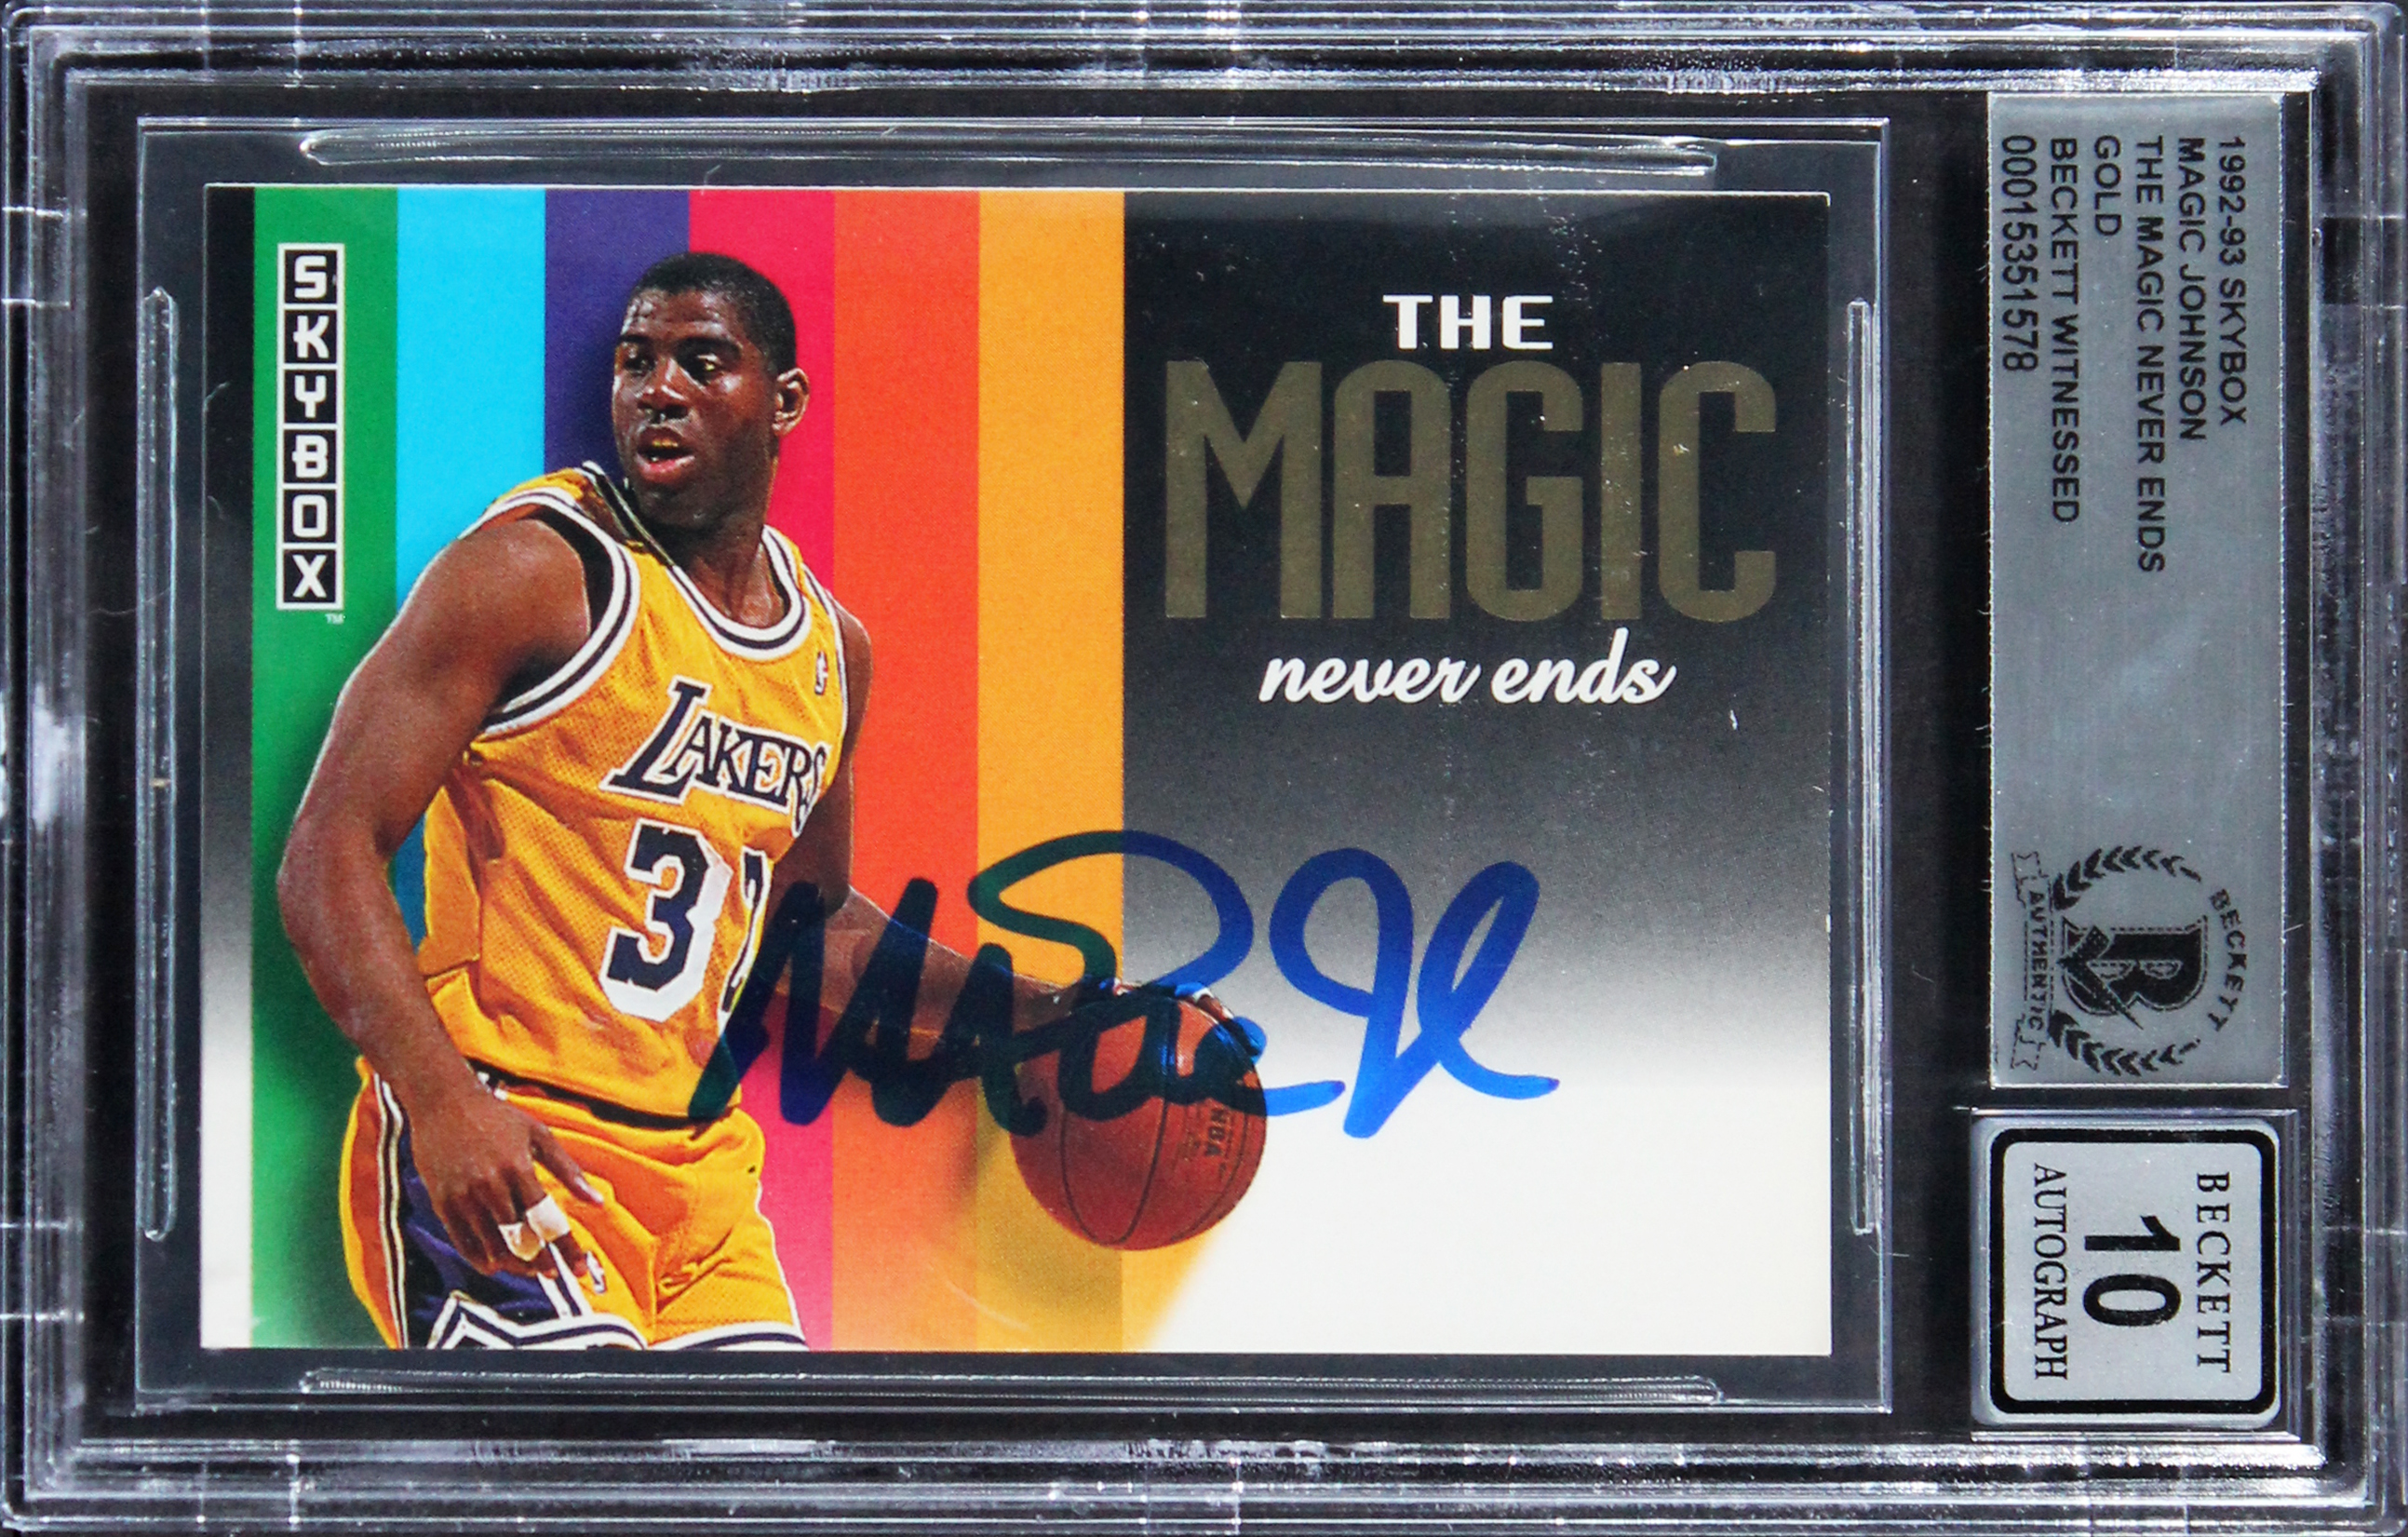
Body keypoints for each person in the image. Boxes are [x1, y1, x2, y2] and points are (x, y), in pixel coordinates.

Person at [278, 251, 1083, 1349]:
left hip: (697, 1175)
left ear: (783, 402)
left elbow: (806, 931)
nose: (658, 389)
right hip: (512, 1131)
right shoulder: (534, 572)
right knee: (591, 1450)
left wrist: (1055, 1012)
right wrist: (441, 1099)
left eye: (702, 362)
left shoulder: (829, 649)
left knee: (761, 1455)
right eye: (635, 361)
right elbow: (328, 848)